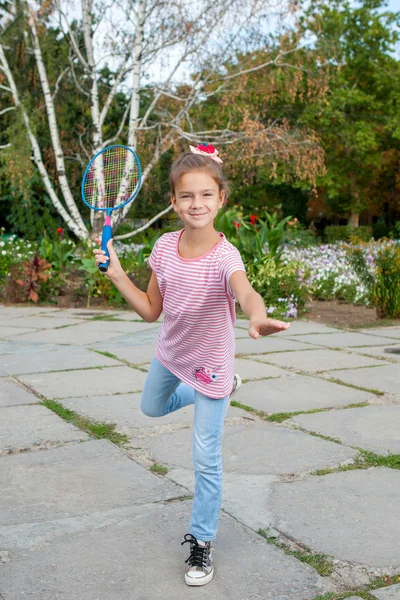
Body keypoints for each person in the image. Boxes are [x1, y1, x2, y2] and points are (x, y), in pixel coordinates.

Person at [94, 143, 290, 587]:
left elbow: (246, 292)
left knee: (205, 458)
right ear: (173, 201)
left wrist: (257, 317)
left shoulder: (226, 256)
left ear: (221, 199)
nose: (196, 204)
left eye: (205, 195)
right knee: (150, 407)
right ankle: (217, 389)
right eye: (186, 196)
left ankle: (201, 542)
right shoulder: (164, 248)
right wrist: (118, 274)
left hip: (212, 361)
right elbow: (150, 311)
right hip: (172, 354)